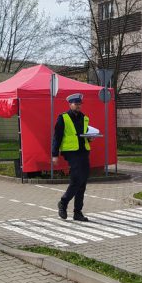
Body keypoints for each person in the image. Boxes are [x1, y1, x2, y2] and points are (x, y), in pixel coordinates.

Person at [51, 93, 91, 222]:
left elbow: (84, 135)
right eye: (76, 104)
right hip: (71, 153)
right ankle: (63, 203)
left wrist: (90, 138)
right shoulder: (63, 118)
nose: (78, 106)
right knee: (76, 180)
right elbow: (57, 137)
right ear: (70, 104)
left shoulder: (85, 118)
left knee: (82, 182)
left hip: (83, 151)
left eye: (80, 104)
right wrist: (54, 154)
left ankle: (77, 212)